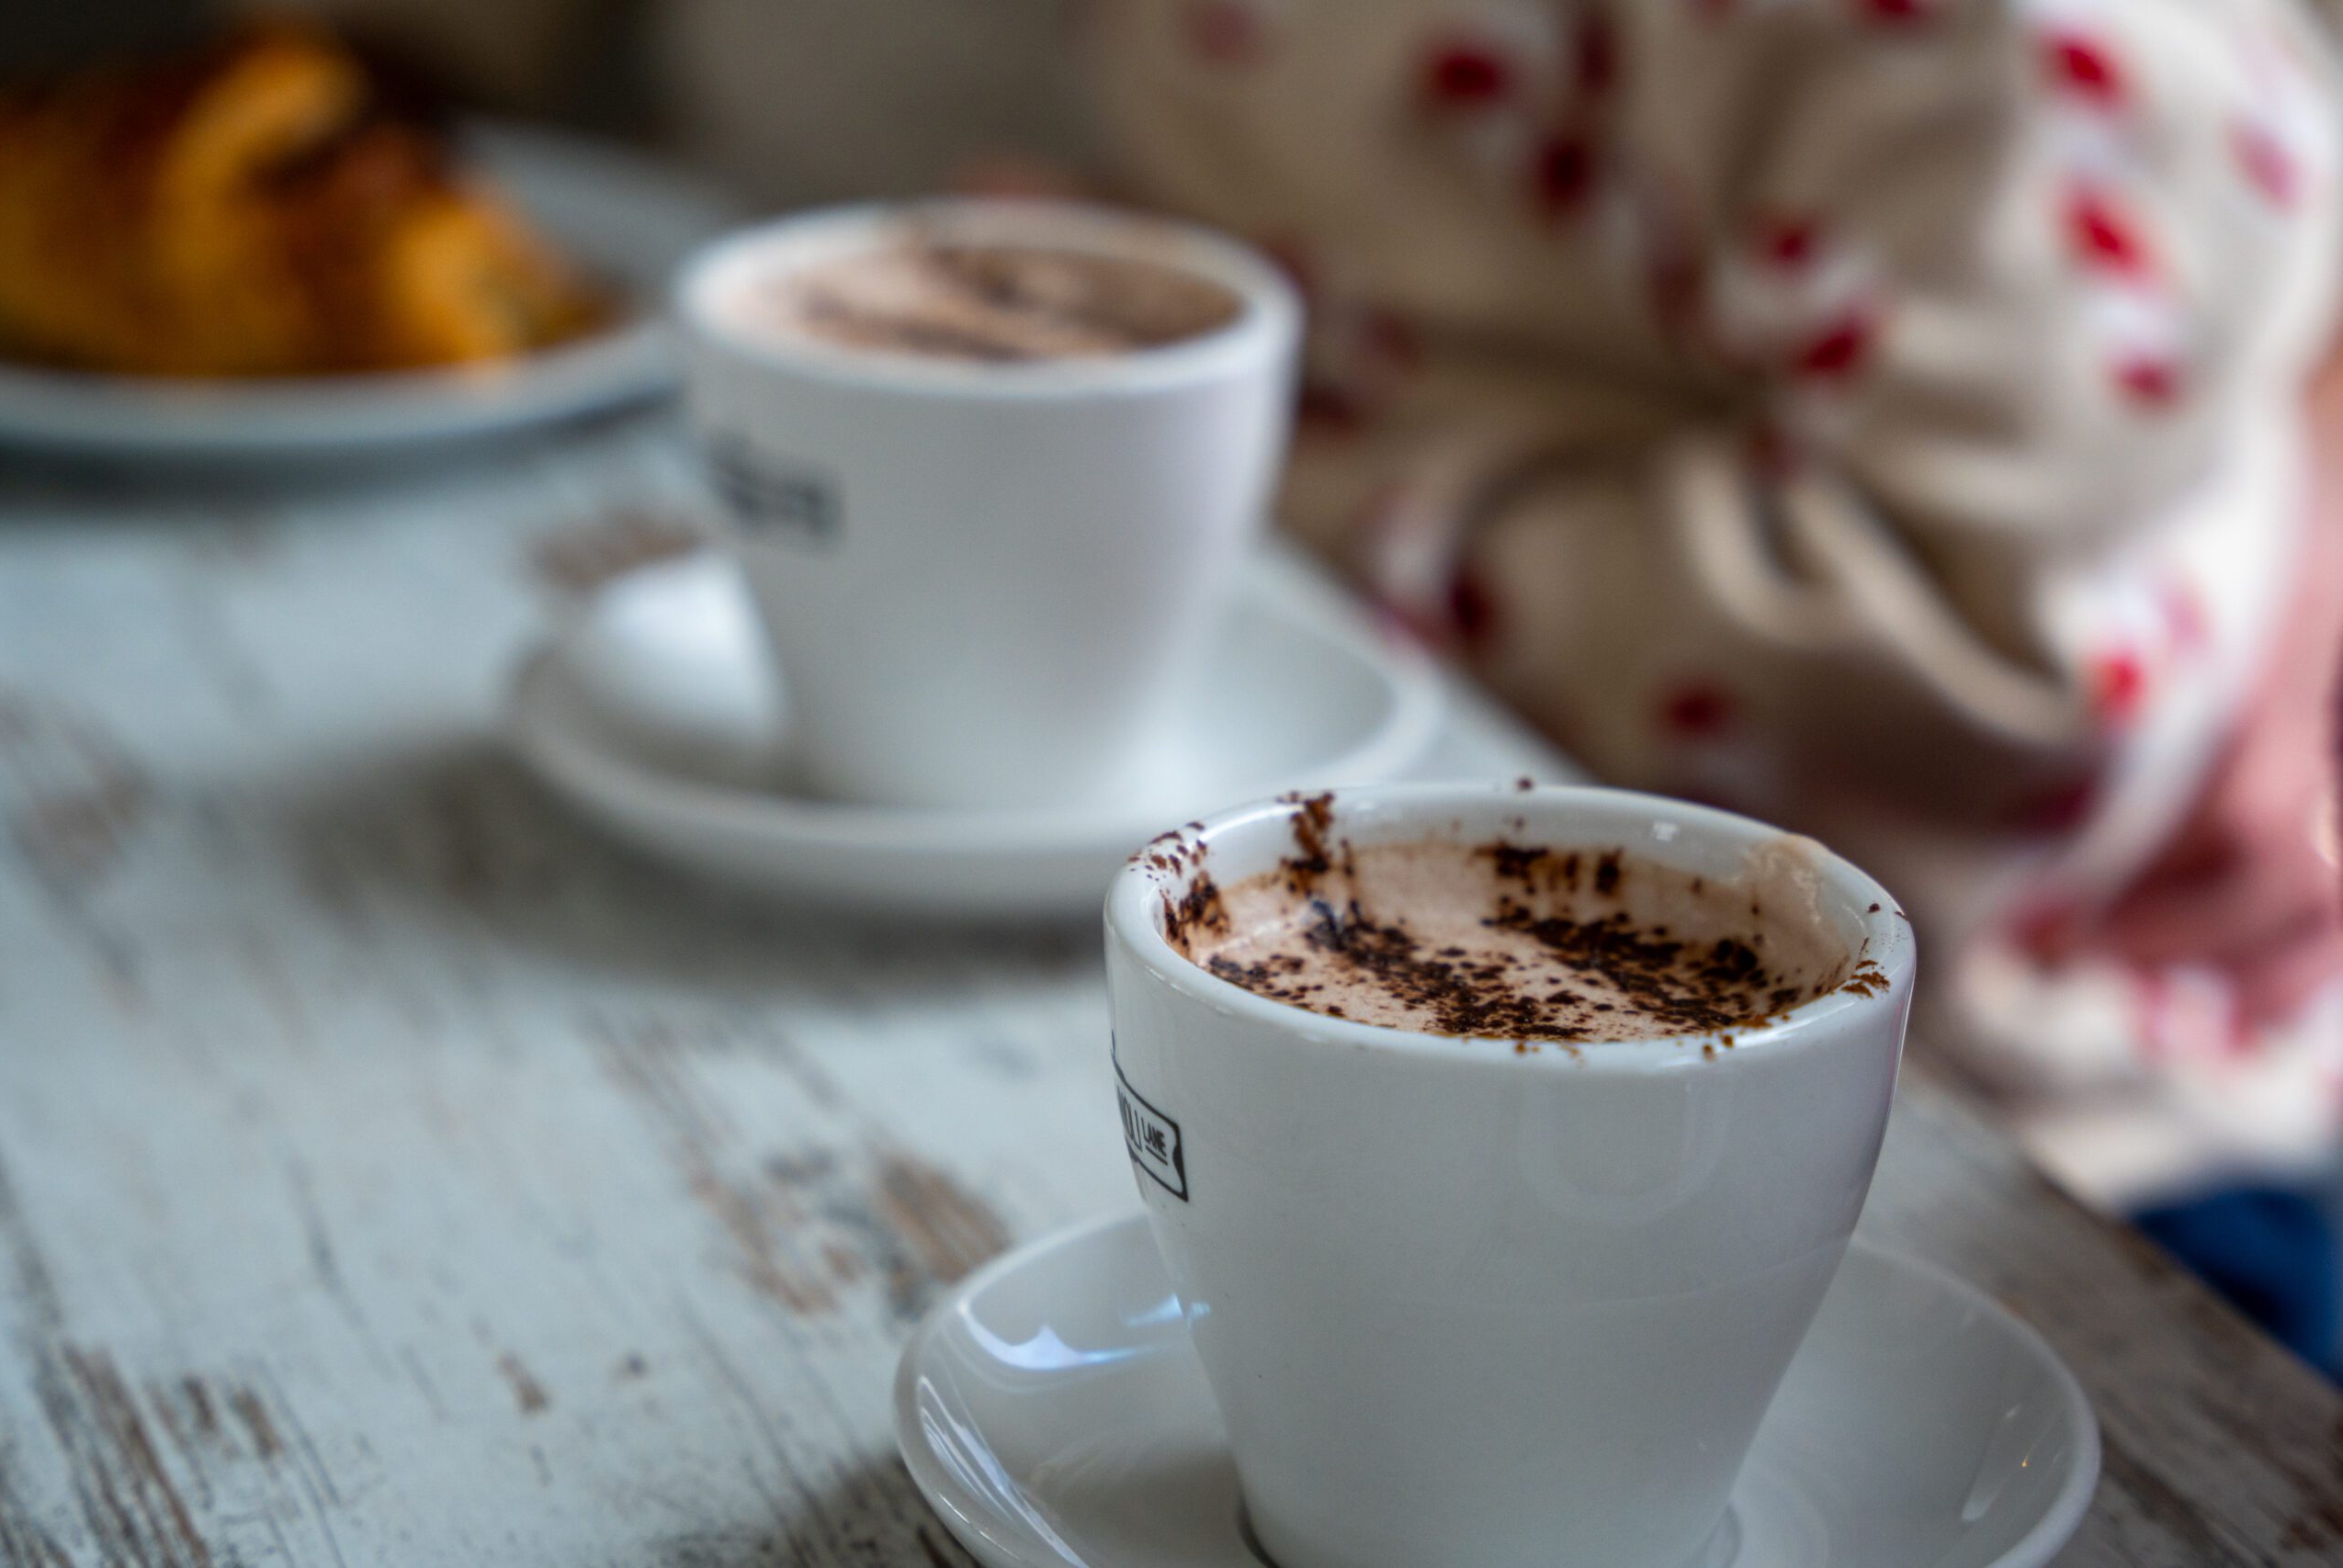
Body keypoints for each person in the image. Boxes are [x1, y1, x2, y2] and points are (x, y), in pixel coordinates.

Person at [237, 0, 2343, 1367]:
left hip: (2046, 1139)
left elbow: (1993, 657)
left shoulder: (1958, 56)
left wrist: (1243, 493)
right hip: (1377, 1046)